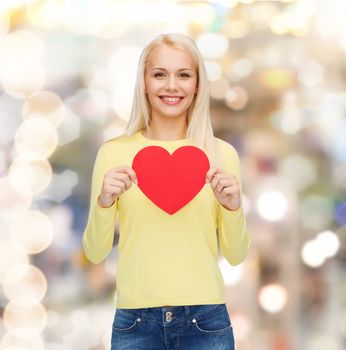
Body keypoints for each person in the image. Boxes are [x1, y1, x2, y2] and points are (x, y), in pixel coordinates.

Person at [82, 32, 251, 350]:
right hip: (135, 322)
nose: (171, 86)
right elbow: (95, 251)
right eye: (160, 74)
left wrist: (232, 208)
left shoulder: (221, 154)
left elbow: (236, 254)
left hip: (206, 322)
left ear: (197, 84)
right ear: (144, 82)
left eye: (183, 75)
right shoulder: (113, 153)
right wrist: (105, 203)